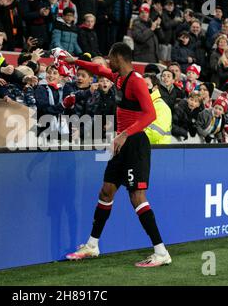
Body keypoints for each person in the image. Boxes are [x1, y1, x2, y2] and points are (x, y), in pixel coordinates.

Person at [65, 42, 172, 267]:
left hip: (134, 144)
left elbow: (150, 114)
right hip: (121, 143)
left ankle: (161, 252)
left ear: (119, 58)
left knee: (137, 198)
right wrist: (75, 62)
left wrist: (125, 133)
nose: (108, 61)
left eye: (110, 58)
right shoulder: (119, 78)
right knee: (106, 191)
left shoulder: (137, 82)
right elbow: (98, 70)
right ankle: (92, 245)